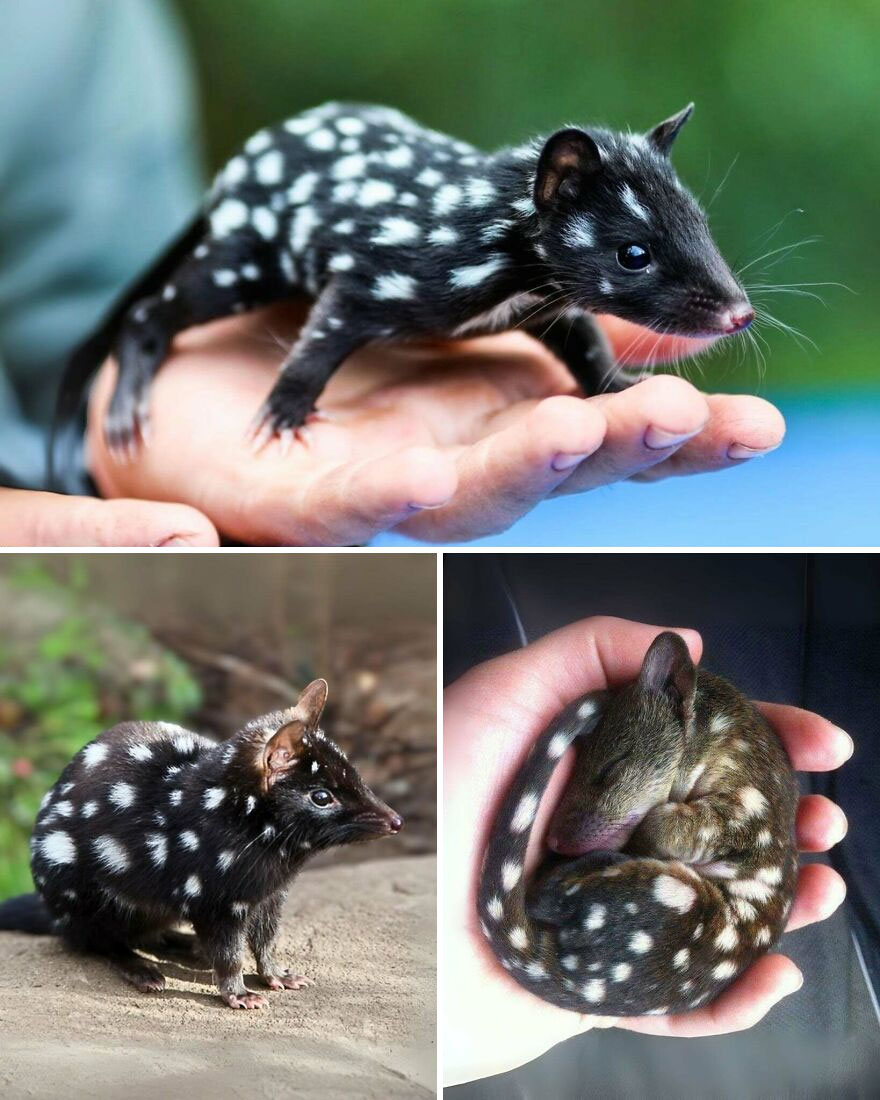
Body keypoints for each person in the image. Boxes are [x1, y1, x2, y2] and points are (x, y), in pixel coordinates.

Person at [0, 3, 785, 546]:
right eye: (636, 261)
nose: (720, 301)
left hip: (364, 149)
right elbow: (348, 309)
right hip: (286, 198)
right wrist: (290, 398)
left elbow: (72, 277)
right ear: (555, 195)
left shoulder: (83, 31)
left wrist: (604, 389)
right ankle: (147, 339)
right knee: (218, 288)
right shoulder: (437, 275)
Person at [443, 617, 850, 1084]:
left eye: (611, 774)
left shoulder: (737, 800)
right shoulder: (739, 780)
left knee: (669, 893)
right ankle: (562, 897)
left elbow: (664, 835)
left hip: (652, 946)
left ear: (680, 699)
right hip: (626, 962)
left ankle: (557, 895)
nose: (560, 838)